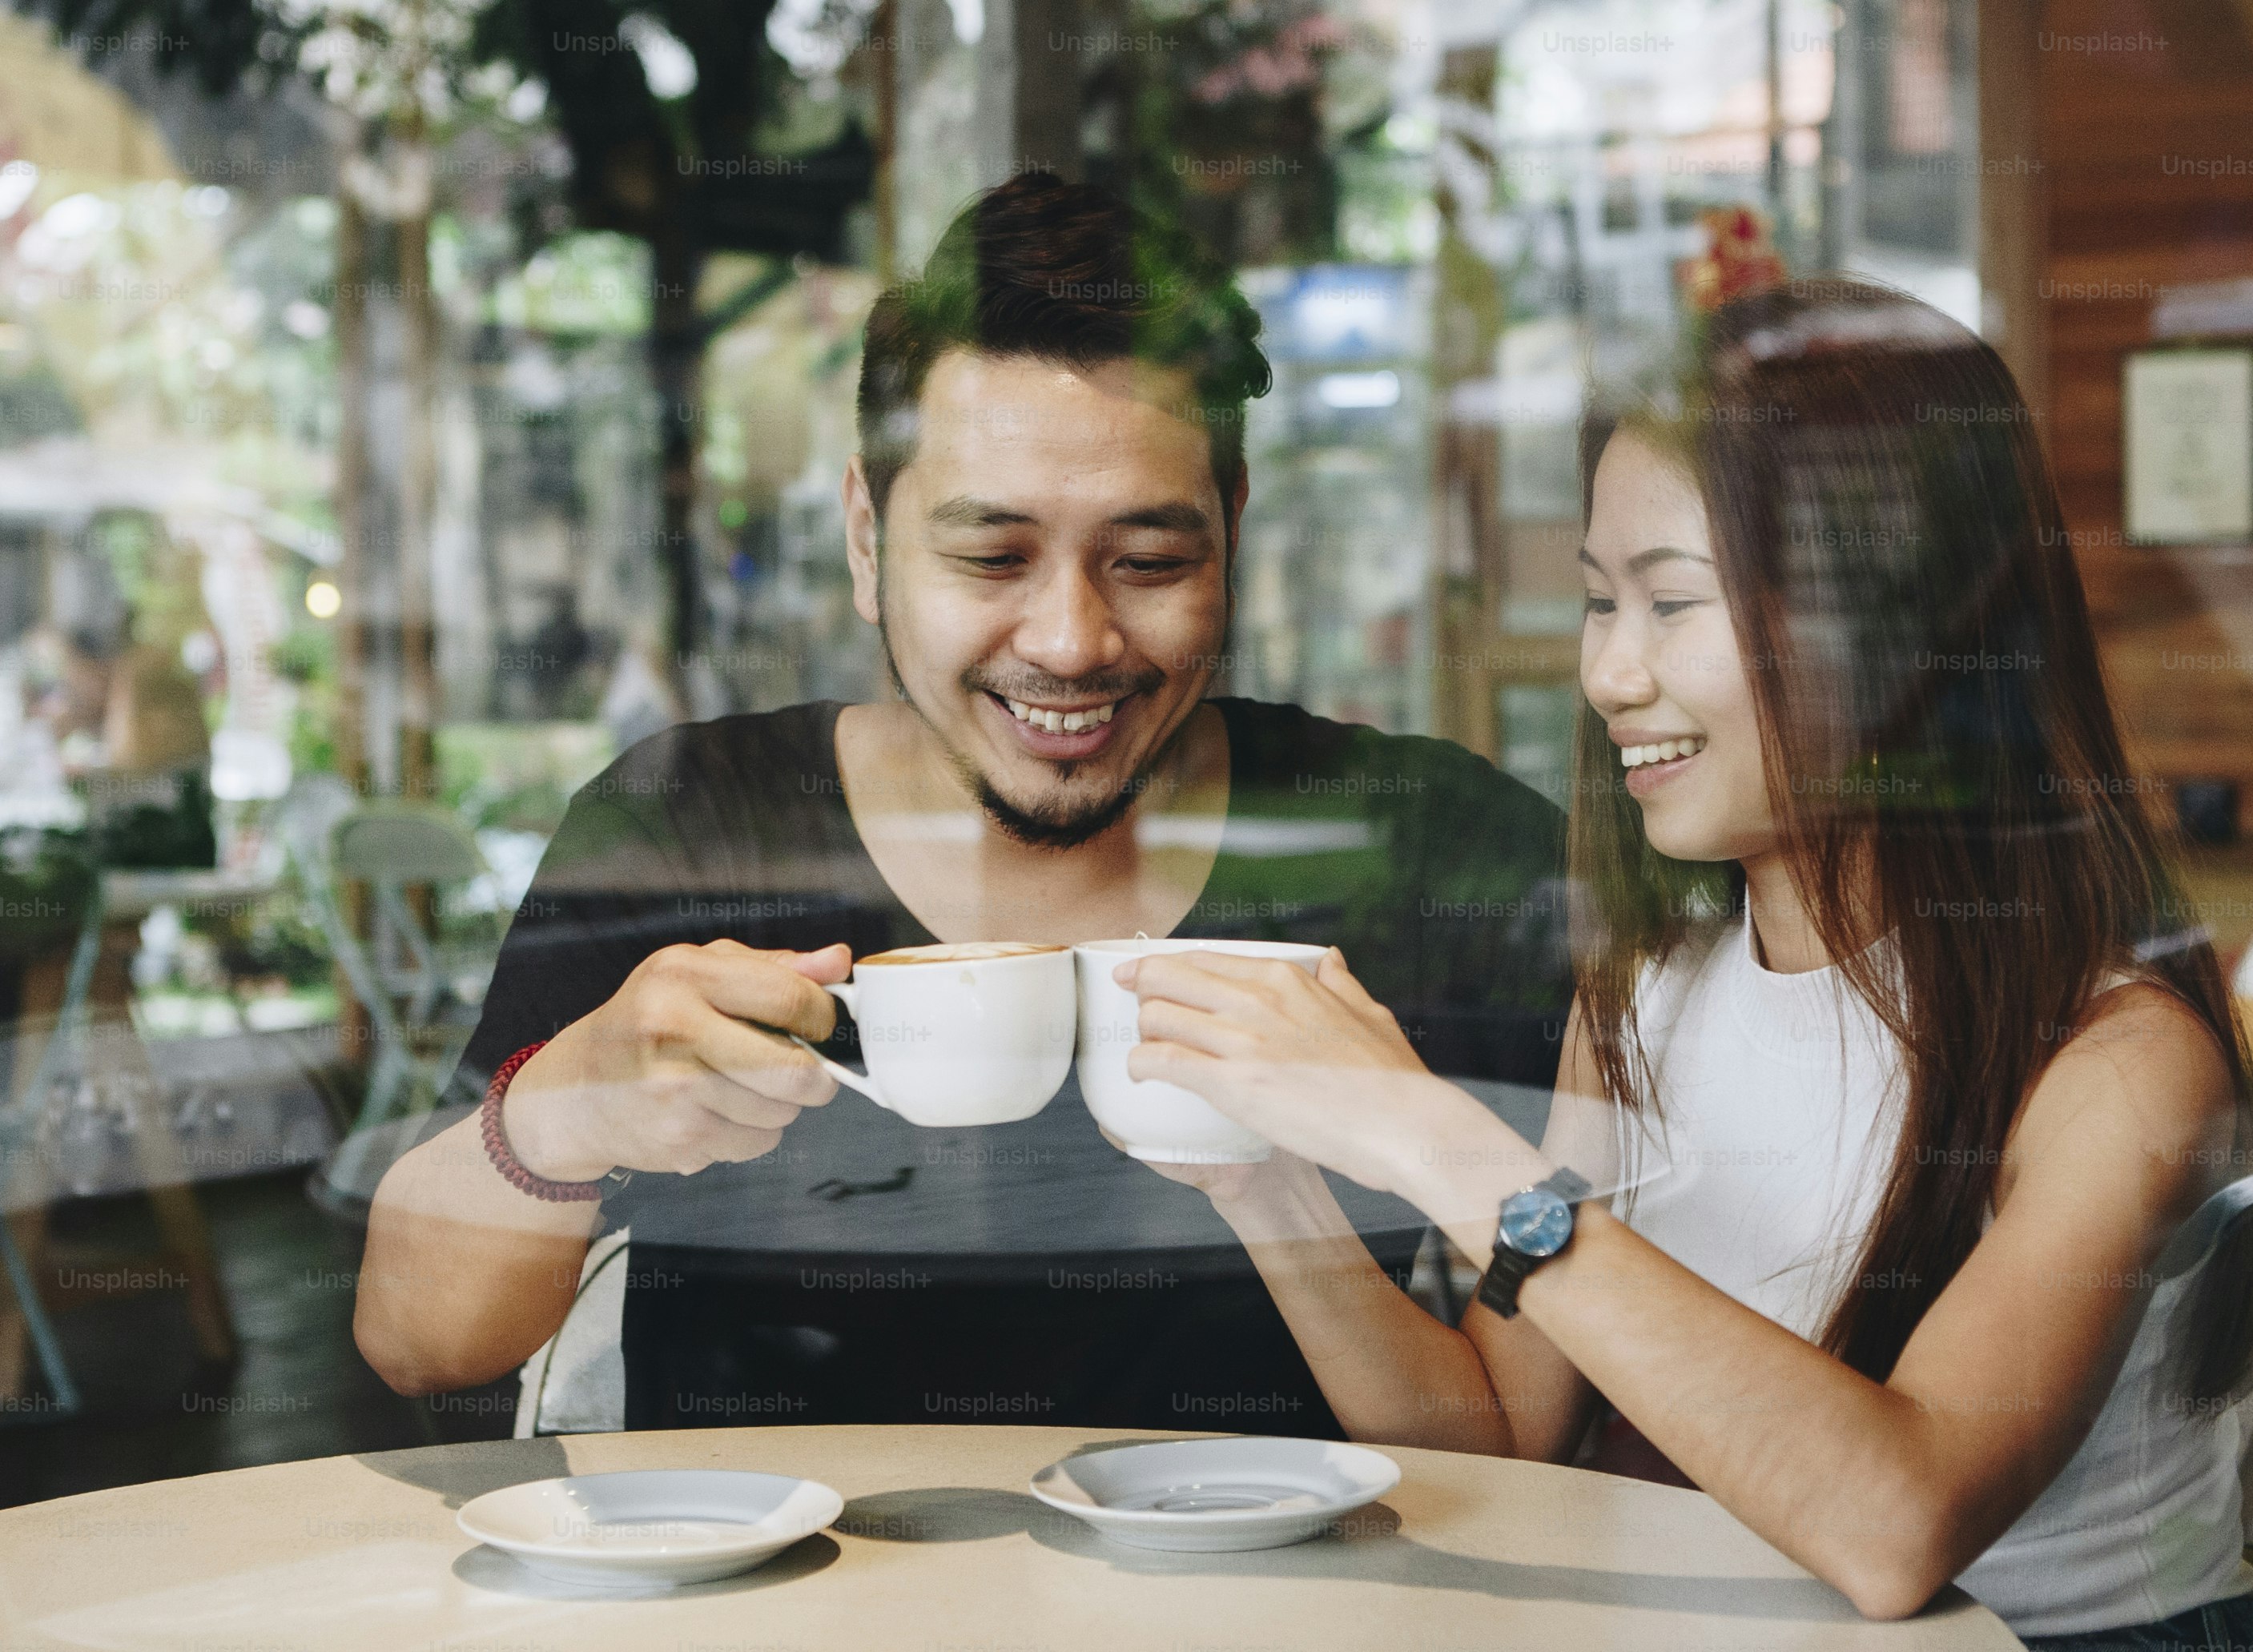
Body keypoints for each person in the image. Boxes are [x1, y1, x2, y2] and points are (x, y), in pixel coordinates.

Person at [1112, 279, 2253, 1643]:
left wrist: (1438, 1142)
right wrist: (1267, 1182)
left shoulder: (2121, 1060)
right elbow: (1496, 1437)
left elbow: (1898, 1526)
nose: (1607, 672)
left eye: (1671, 602)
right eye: (1601, 603)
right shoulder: (1650, 987)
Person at [352, 171, 1574, 1435]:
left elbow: (1512, 1450)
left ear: (1233, 534)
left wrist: (1289, 1187)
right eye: (990, 557)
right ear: (866, 540)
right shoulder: (692, 825)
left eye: (1150, 561)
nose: (1069, 641)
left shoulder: (1430, 844)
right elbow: (417, 1343)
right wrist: (568, 1105)